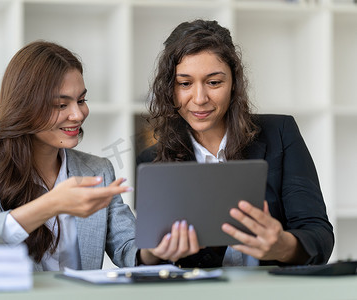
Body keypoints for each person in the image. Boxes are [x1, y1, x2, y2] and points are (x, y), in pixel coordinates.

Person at [0, 41, 192, 270]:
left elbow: (128, 247)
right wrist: (50, 205)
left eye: (81, 100)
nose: (78, 115)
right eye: (61, 105)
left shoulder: (97, 169)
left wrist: (155, 249)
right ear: (25, 107)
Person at [137, 20, 334, 267]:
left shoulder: (280, 133)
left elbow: (320, 236)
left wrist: (282, 245)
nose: (199, 98)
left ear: (234, 84)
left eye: (214, 82)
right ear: (169, 89)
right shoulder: (152, 161)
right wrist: (154, 253)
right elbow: (148, 262)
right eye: (185, 84)